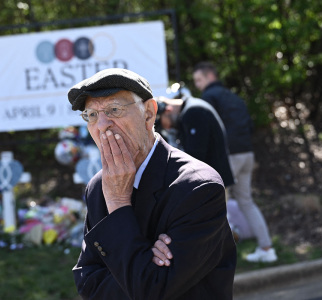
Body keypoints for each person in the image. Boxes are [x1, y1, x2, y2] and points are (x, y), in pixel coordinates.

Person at [68, 68, 236, 299]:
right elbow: (87, 284)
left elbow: (150, 291)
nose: (102, 125)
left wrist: (118, 202)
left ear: (149, 114)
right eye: (92, 115)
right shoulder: (99, 187)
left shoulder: (198, 186)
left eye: (114, 110)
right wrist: (146, 263)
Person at [193, 61, 277, 263]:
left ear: (210, 77)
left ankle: (220, 258)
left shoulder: (209, 98)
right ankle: (267, 249)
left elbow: (209, 130)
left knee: (215, 204)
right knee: (246, 202)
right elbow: (249, 126)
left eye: (199, 80)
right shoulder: (235, 97)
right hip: (247, 154)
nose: (197, 85)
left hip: (228, 156)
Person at [155, 84, 234, 188]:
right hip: (211, 179)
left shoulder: (193, 112)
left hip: (212, 182)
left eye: (162, 123)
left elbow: (195, 155)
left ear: (167, 110)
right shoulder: (191, 108)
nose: (167, 128)